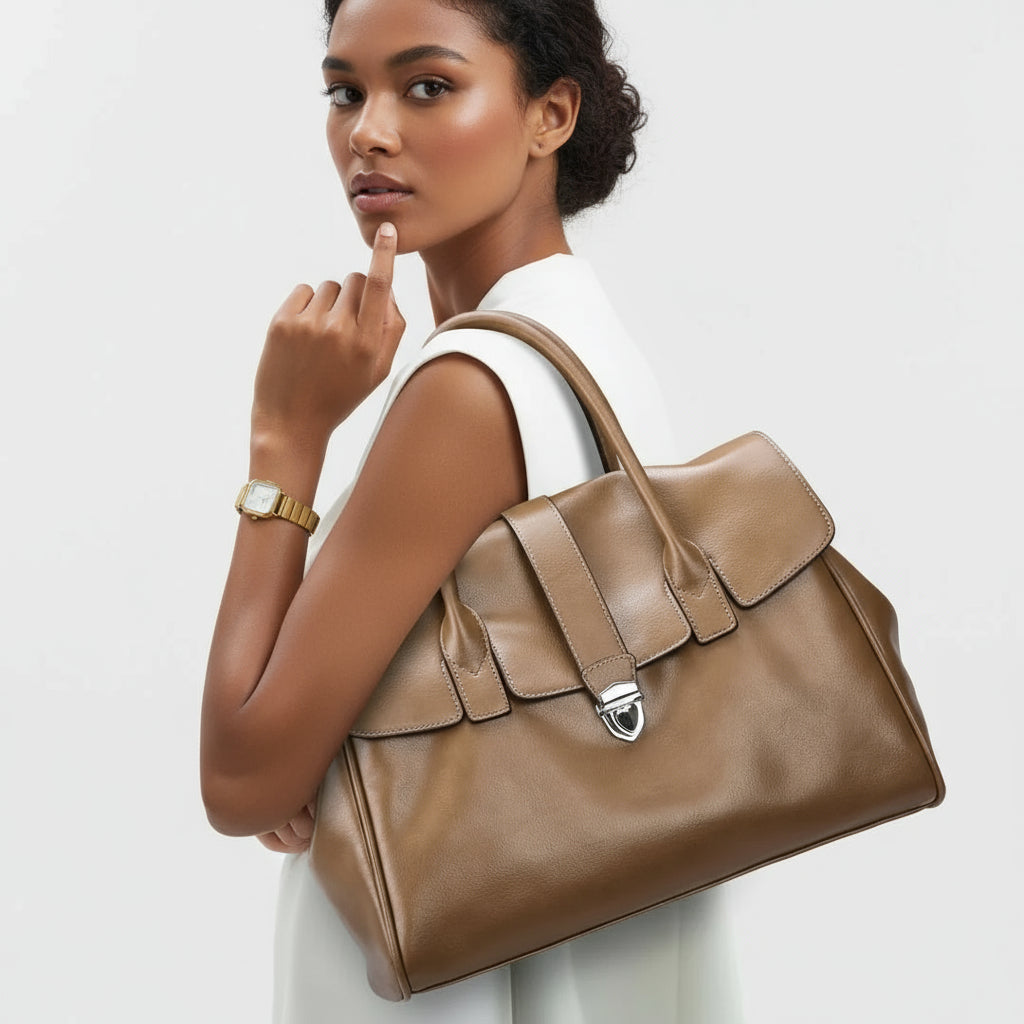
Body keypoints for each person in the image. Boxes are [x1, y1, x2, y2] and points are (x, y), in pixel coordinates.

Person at [201, 0, 745, 1019]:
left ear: (552, 114)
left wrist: (286, 440)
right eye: (344, 91)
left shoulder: (467, 389)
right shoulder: (585, 337)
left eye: (427, 85)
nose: (367, 129)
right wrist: (329, 744)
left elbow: (241, 781)